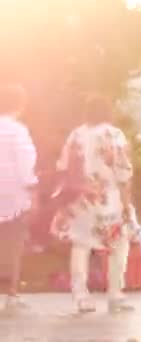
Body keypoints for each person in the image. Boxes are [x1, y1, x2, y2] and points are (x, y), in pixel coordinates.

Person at [49, 94, 134, 314]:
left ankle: (80, 296)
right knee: (118, 244)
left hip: (80, 199)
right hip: (108, 198)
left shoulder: (75, 134)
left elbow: (62, 166)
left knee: (81, 245)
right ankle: (115, 293)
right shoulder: (114, 134)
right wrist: (127, 203)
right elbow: (123, 170)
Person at [0, 84, 37, 312]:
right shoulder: (18, 130)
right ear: (20, 105)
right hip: (13, 196)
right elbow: (26, 165)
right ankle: (10, 295)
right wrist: (33, 189)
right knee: (12, 246)